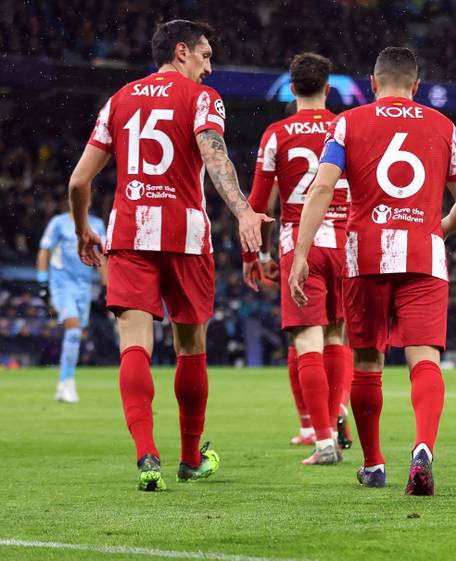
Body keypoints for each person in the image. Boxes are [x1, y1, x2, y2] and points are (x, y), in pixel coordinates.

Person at [68, 19, 271, 491]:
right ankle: (189, 457)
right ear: (181, 52)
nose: (209, 65)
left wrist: (83, 231)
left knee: (134, 344)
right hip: (185, 237)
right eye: (204, 55)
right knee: (190, 349)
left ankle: (146, 456)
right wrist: (243, 210)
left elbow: (79, 181)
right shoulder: (203, 99)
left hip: (128, 236)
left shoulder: (119, 100)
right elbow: (215, 157)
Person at [290, 46, 456, 495]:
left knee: (369, 363)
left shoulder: (347, 122)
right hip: (424, 255)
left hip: (365, 255)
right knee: (424, 359)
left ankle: (374, 463)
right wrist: (436, 232)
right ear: (417, 86)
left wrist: (300, 252)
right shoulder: (443, 125)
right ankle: (423, 447)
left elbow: (322, 187)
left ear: (372, 84)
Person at [243, 53, 351, 464]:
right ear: (328, 88)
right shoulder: (346, 127)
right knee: (337, 334)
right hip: (344, 240)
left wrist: (258, 253)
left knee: (306, 339)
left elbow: (258, 202)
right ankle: (339, 412)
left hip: (297, 242)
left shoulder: (276, 133)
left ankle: (322, 439)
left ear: (292, 88)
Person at [36, 206, 107, 403]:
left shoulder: (97, 224)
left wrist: (106, 285)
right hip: (61, 284)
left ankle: (64, 384)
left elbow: (102, 255)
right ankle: (67, 383)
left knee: (76, 334)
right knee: (74, 330)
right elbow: (44, 250)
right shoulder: (58, 223)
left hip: (83, 287)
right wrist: (42, 282)